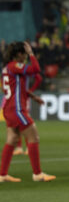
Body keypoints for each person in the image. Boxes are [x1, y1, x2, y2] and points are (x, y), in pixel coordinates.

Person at [0, 42, 55, 183]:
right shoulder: (15, 66)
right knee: (33, 137)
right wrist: (32, 54)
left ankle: (2, 174)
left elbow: (10, 89)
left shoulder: (6, 69)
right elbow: (35, 69)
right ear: (19, 54)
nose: (26, 56)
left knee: (11, 140)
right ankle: (38, 174)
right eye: (24, 53)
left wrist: (33, 97)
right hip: (17, 109)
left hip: (9, 109)